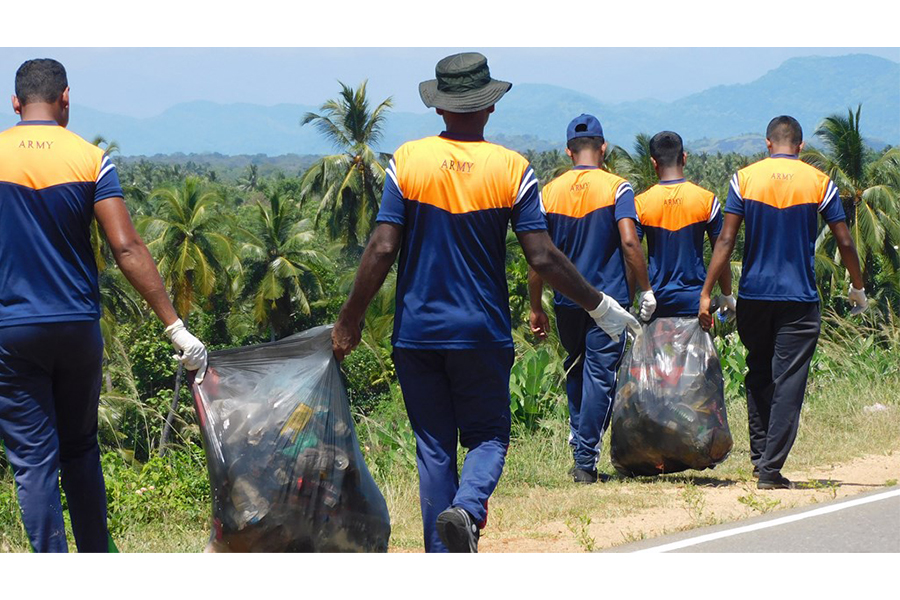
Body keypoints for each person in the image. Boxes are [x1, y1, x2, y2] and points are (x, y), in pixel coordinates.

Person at [331, 53, 638, 553]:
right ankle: (468, 509)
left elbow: (383, 247)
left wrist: (349, 321)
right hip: (481, 332)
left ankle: (444, 556)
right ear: (490, 107)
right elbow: (542, 256)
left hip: (417, 333)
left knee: (433, 448)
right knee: (489, 437)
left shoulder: (407, 161)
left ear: (439, 109)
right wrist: (598, 304)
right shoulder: (512, 169)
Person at [0, 58, 208, 552]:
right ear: (65, 99)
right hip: (77, 328)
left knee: (34, 461)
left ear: (15, 103)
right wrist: (176, 328)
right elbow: (128, 248)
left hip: (13, 331)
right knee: (81, 447)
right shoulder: (91, 159)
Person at [699, 115, 867, 490]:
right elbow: (844, 242)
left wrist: (708, 292)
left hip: (754, 296)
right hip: (798, 298)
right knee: (789, 381)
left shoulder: (744, 179)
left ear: (768, 144)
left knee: (759, 373)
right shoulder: (819, 182)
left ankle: (760, 459)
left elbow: (725, 242)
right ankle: (771, 471)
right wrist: (858, 286)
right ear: (801, 146)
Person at [528, 114, 653, 484]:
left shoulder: (548, 193)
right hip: (608, 304)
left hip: (567, 302)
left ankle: (580, 451)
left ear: (569, 152)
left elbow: (537, 257)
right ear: (604, 149)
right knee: (600, 377)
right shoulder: (617, 188)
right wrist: (645, 289)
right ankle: (585, 462)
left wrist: (536, 305)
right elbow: (630, 242)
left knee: (577, 371)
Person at [634, 130, 734, 319]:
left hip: (656, 302)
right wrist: (726, 293)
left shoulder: (641, 203)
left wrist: (631, 300)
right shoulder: (706, 200)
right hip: (696, 302)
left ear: (654, 162)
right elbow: (721, 251)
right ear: (684, 158)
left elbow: (631, 253)